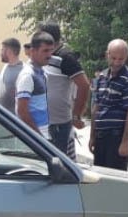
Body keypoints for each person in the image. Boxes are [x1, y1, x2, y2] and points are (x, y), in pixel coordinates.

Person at [37, 22, 91, 160]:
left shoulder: (66, 57)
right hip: (43, 123)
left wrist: (76, 115)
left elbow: (84, 85)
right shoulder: (44, 57)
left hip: (58, 125)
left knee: (57, 163)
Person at [88, 39, 128, 171]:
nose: (117, 62)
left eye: (121, 59)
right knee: (99, 175)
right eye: (113, 58)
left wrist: (125, 141)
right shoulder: (102, 76)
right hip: (101, 136)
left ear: (126, 57)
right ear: (107, 55)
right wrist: (92, 136)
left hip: (116, 137)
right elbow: (96, 107)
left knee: (114, 176)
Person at [15, 32, 53, 140]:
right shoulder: (28, 75)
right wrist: (39, 138)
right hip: (33, 138)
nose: (49, 55)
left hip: (44, 133)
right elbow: (22, 111)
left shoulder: (42, 72)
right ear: (32, 51)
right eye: (45, 51)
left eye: (51, 50)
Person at [0, 37, 23, 112]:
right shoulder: (6, 66)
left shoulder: (22, 71)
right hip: (2, 112)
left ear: (9, 51)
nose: (0, 54)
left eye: (2, 50)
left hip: (12, 116)